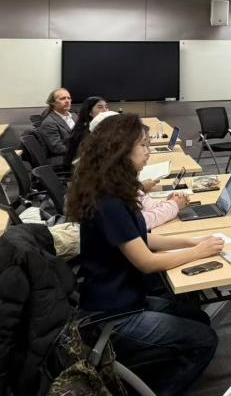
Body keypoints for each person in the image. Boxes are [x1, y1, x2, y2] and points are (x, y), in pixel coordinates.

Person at [65, 112, 221, 396]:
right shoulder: (109, 202)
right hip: (114, 315)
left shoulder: (113, 190)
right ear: (121, 151)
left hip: (125, 299)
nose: (149, 151)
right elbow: (146, 262)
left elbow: (140, 238)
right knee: (205, 338)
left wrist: (190, 241)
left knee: (198, 317)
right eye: (143, 145)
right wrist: (198, 252)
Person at [88, 111, 188, 230]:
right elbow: (140, 222)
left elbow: (143, 204)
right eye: (142, 145)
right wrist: (173, 205)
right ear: (121, 147)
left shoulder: (121, 178)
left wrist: (169, 202)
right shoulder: (108, 190)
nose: (148, 151)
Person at [63, 95, 109, 165]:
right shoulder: (83, 132)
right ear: (90, 112)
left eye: (106, 107)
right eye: (100, 107)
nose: (105, 110)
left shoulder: (104, 128)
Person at [37, 87, 75, 157]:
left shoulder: (75, 116)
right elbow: (58, 148)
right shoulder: (49, 123)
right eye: (62, 98)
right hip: (65, 157)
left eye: (69, 98)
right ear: (53, 103)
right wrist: (81, 150)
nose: (67, 101)